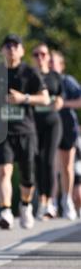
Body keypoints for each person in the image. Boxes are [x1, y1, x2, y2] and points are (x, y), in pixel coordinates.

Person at [0, 34, 48, 230]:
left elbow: (45, 99)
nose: (11, 48)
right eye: (7, 45)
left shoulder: (29, 73)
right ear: (2, 51)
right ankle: (5, 210)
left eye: (15, 45)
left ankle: (25, 206)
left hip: (25, 130)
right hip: (2, 130)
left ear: (22, 51)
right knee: (3, 170)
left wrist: (23, 98)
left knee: (27, 177)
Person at [30, 43, 64, 220]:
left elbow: (61, 97)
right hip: (34, 124)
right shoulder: (29, 76)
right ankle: (41, 200)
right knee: (37, 161)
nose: (40, 57)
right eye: (36, 54)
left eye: (43, 54)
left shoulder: (54, 76)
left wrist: (58, 101)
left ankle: (50, 202)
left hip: (52, 123)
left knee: (49, 160)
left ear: (48, 57)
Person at [51, 50, 81, 220]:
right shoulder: (42, 80)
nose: (50, 65)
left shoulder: (67, 81)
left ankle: (66, 199)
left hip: (67, 127)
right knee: (52, 166)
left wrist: (64, 104)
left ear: (61, 66)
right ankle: (51, 202)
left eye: (53, 62)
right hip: (48, 128)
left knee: (67, 166)